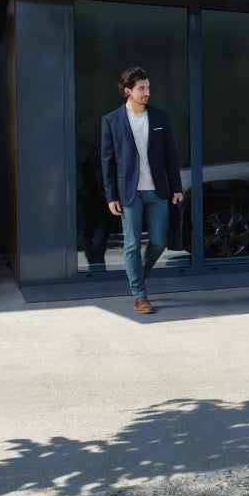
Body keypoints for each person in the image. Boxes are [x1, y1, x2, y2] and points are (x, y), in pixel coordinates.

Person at [101, 67, 184, 314]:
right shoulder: (111, 120)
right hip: (129, 192)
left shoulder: (160, 117)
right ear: (128, 91)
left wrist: (176, 188)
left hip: (157, 190)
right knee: (131, 245)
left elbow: (171, 154)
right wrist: (111, 195)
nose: (147, 92)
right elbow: (107, 160)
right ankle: (140, 295)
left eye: (148, 87)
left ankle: (136, 277)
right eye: (142, 88)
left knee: (159, 242)